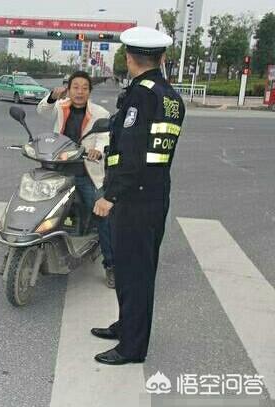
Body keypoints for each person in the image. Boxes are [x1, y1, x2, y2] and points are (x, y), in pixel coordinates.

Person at [91, 27, 186, 365]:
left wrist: (111, 196)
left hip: (133, 199)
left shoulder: (141, 95)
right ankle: (127, 325)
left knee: (135, 273)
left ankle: (132, 348)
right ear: (161, 58)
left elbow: (132, 153)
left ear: (130, 58)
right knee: (137, 269)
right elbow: (148, 151)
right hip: (153, 194)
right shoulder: (169, 96)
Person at [37, 71, 115, 288]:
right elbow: (42, 110)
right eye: (75, 87)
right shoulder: (60, 106)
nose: (79, 92)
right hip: (58, 170)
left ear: (89, 91)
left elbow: (105, 136)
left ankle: (111, 265)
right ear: (68, 89)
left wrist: (98, 150)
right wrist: (52, 97)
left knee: (102, 214)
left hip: (84, 172)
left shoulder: (99, 112)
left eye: (84, 88)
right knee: (39, 207)